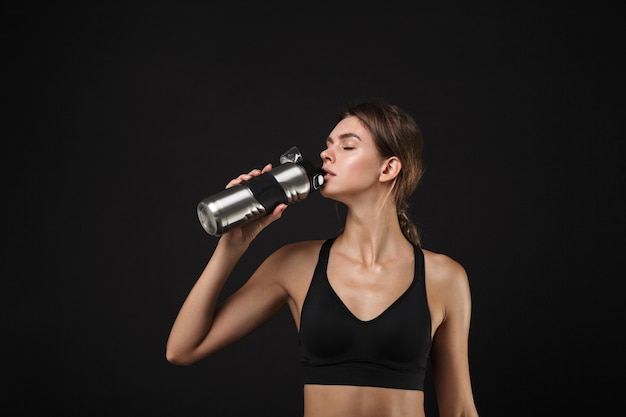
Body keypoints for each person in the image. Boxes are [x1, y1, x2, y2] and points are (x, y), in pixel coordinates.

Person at [166, 99, 480, 417]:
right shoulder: (294, 264)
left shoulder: (444, 277)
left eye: (347, 146)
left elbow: (460, 410)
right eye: (328, 145)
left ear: (388, 168)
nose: (326, 154)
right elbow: (182, 349)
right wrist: (232, 245)